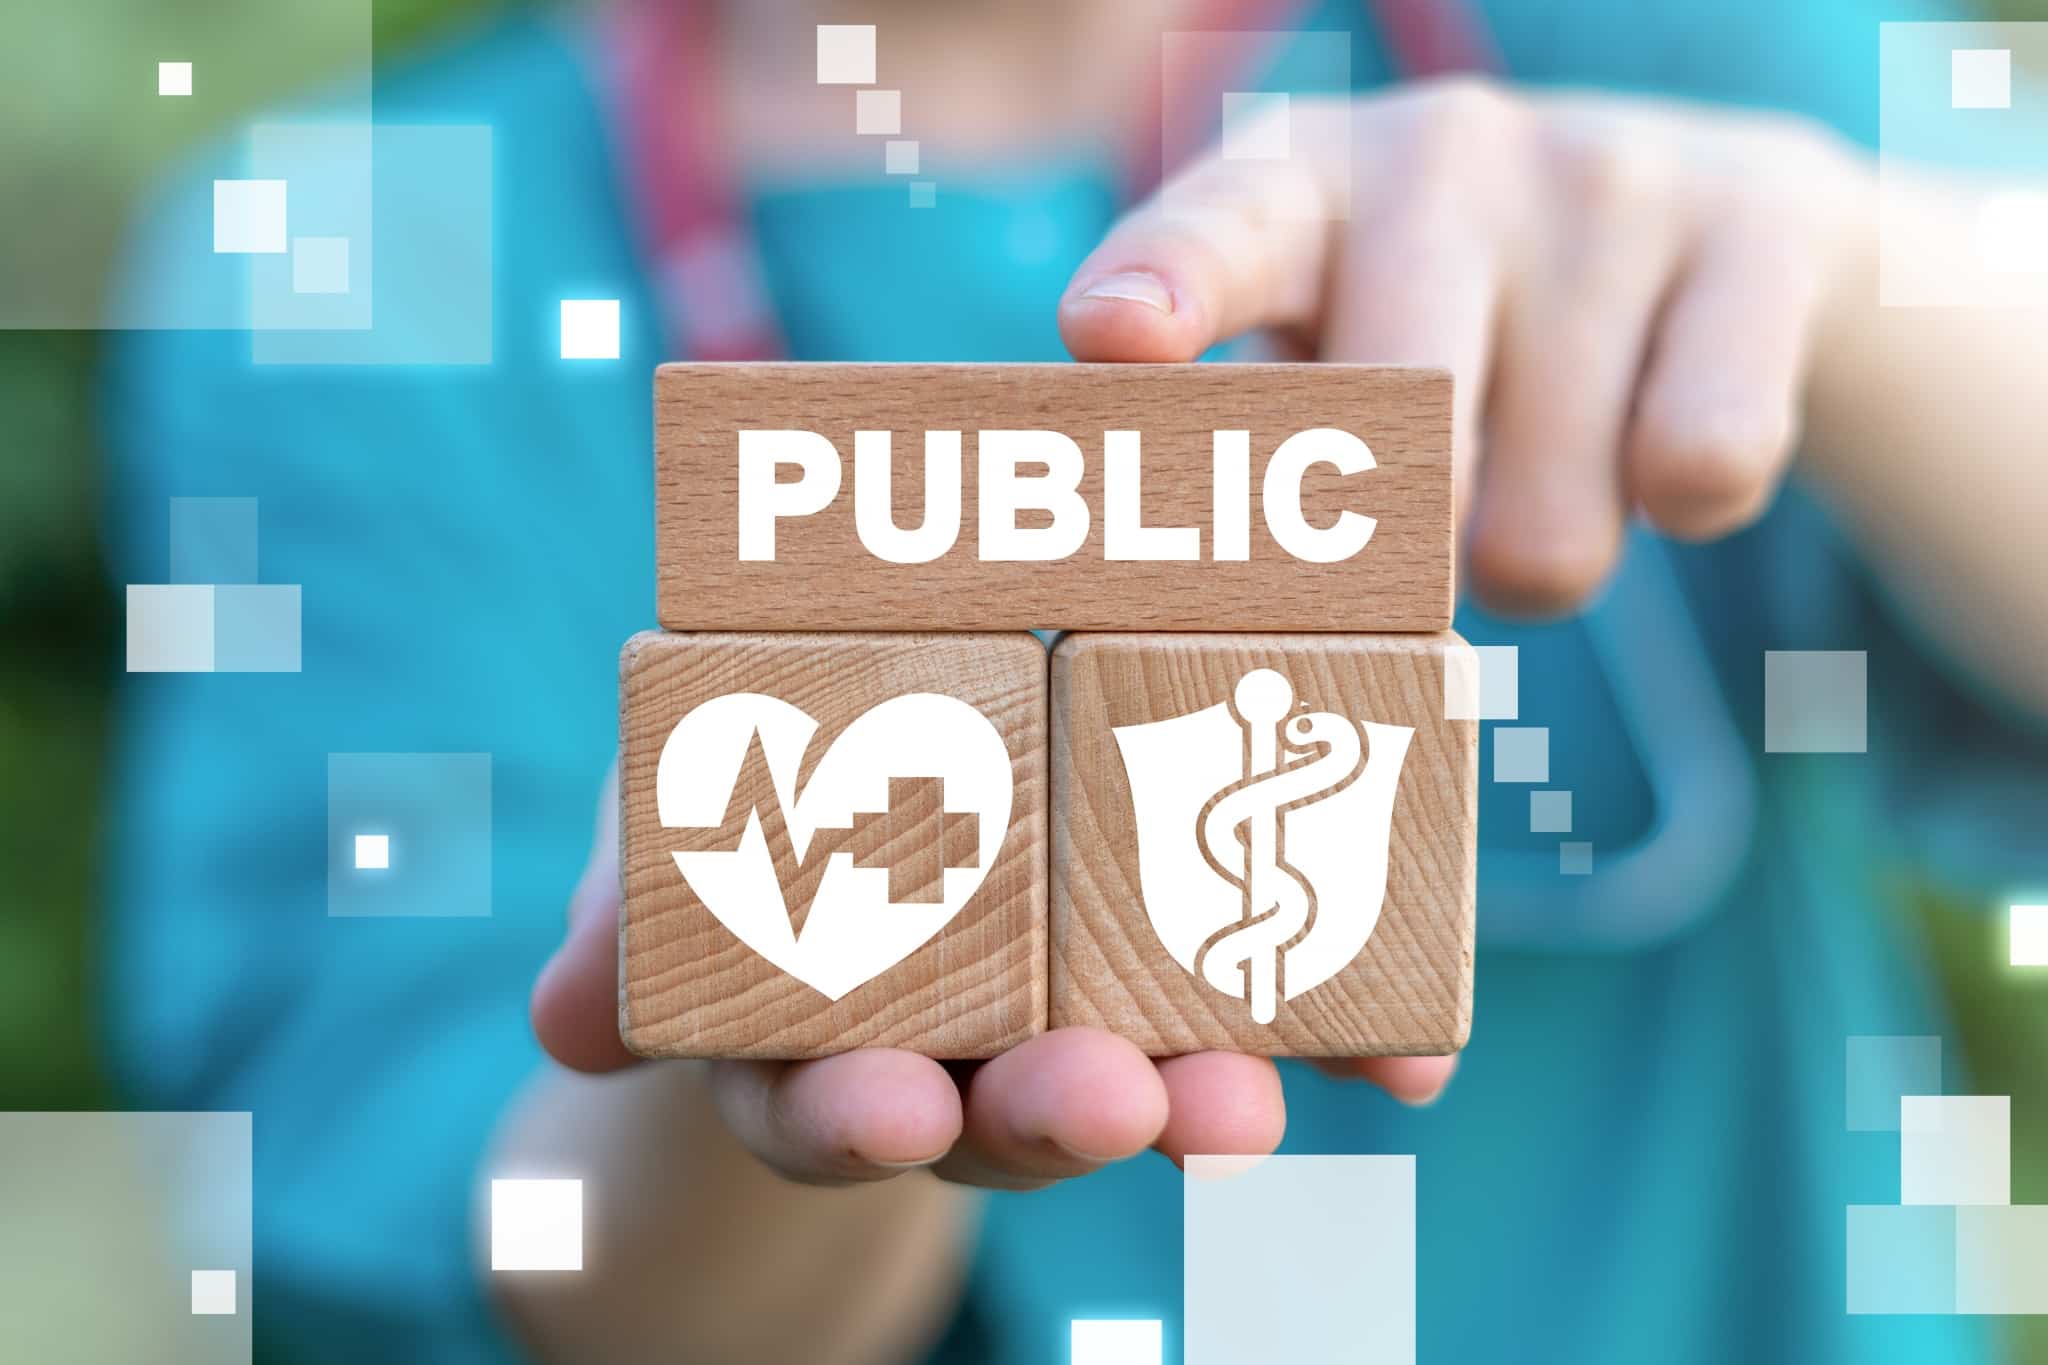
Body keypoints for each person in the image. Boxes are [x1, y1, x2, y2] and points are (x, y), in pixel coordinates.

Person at [103, 1, 2048, 1362]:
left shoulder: (1686, 52)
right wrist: (757, 1014)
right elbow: (506, 1249)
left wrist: (1847, 280)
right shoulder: (354, 264)